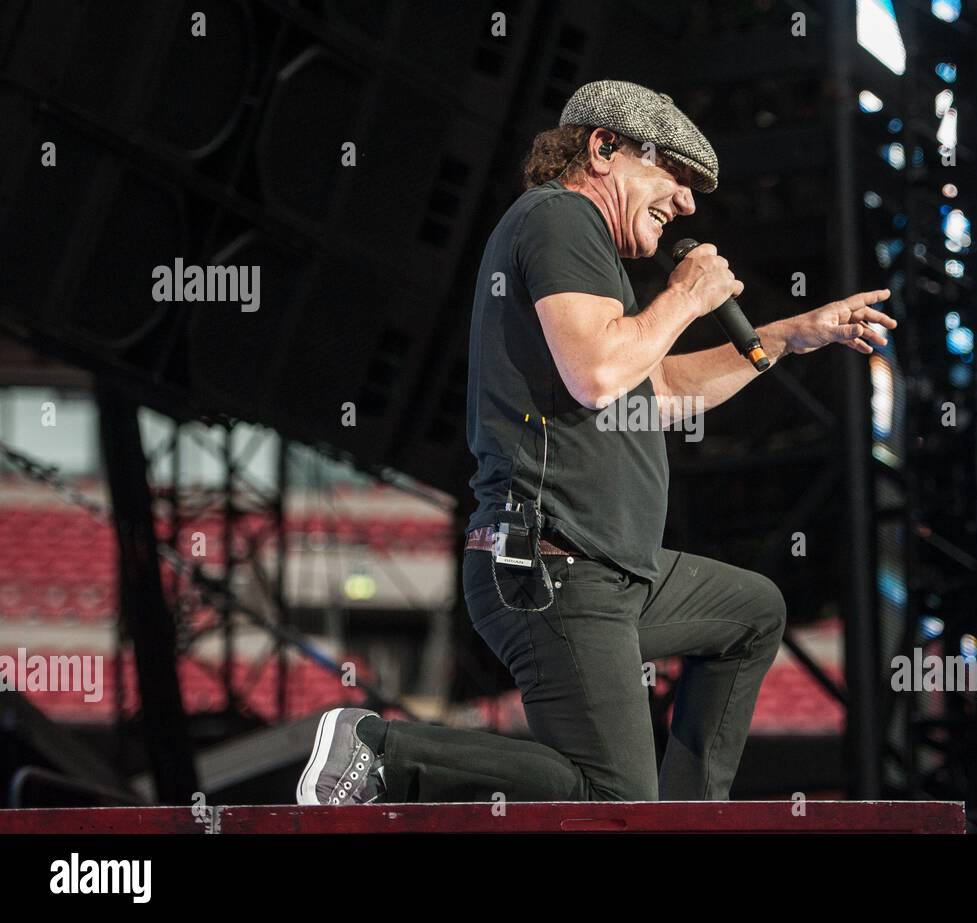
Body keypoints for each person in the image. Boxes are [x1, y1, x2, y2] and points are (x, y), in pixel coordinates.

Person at [296, 79, 894, 806]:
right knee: (612, 798)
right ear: (604, 149)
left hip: (610, 567)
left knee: (751, 613)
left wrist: (789, 336)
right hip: (554, 564)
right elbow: (599, 373)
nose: (687, 203)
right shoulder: (560, 216)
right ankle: (381, 749)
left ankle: (684, 824)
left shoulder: (593, 260)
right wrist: (688, 296)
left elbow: (658, 391)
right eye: (674, 173)